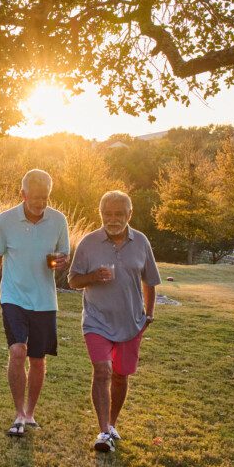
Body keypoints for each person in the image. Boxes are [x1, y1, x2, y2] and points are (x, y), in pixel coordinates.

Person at [68, 190, 160, 452]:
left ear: (129, 215)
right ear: (101, 215)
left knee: (120, 376)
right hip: (96, 320)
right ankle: (103, 431)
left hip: (131, 322)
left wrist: (149, 314)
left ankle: (112, 423)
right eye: (107, 214)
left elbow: (150, 282)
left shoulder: (141, 242)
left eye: (119, 214)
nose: (113, 219)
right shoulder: (88, 243)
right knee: (103, 371)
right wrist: (94, 276)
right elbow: (72, 280)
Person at [0, 169, 69, 436]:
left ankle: (30, 413)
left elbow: (64, 255)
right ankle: (18, 413)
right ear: (23, 194)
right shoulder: (6, 220)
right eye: (35, 198)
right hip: (14, 297)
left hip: (44, 300)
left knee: (38, 360)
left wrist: (61, 261)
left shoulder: (58, 220)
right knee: (18, 351)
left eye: (45, 198)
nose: (41, 203)